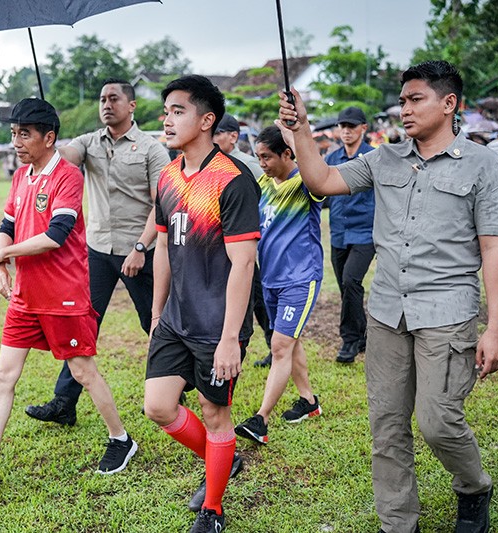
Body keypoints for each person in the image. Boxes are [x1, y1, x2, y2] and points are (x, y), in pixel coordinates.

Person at [279, 60, 498, 533]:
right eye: (402, 100)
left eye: (415, 99)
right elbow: (321, 180)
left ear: (449, 104)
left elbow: (494, 248)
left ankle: (473, 487)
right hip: (387, 310)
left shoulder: (485, 163)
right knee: (386, 426)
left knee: (437, 422)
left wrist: (496, 327)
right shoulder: (384, 158)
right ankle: (398, 524)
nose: (403, 109)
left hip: (447, 310)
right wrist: (301, 129)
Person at [0, 98, 137, 491]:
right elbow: (7, 222)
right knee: (3, 375)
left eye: (24, 134)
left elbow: (55, 237)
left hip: (64, 295)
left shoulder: (68, 176)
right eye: (13, 134)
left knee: (83, 371)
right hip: (26, 297)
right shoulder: (21, 176)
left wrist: (4, 254)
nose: (17, 142)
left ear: (50, 137)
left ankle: (121, 439)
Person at [143, 75, 260, 533]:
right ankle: (222, 460)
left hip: (217, 327)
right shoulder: (168, 176)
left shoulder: (233, 180)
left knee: (216, 414)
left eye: (178, 111)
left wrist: (231, 338)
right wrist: (156, 314)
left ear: (207, 120)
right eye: (166, 111)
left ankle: (213, 509)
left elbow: (243, 264)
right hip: (175, 318)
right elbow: (164, 249)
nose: (167, 119)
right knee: (158, 406)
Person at [25, 78, 171, 426]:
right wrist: (46, 133)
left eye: (114, 98)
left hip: (141, 252)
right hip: (96, 251)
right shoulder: (88, 143)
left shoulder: (152, 149)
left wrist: (139, 247)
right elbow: (58, 160)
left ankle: (172, 383)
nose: (106, 104)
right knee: (83, 322)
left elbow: (162, 204)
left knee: (155, 322)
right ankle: (64, 402)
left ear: (131, 105)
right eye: (102, 98)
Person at [234, 125, 323, 446]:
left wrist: (295, 133)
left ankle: (261, 420)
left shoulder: (306, 183)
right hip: (270, 279)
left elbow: (317, 172)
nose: (263, 163)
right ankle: (309, 401)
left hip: (300, 279)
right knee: (291, 342)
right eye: (258, 157)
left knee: (280, 346)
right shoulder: (263, 184)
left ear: (287, 154)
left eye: (267, 157)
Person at [213, 113, 274, 368]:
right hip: (220, 246)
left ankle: (275, 347)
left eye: (217, 133)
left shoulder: (250, 164)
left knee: (259, 300)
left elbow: (270, 197)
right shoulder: (209, 164)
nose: (213, 138)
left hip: (249, 243)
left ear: (233, 136)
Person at [325, 107, 376, 363]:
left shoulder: (374, 158)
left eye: (352, 126)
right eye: (342, 126)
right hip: (338, 232)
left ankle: (349, 341)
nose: (346, 131)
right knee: (348, 290)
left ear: (363, 128)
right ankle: (363, 333)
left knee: (350, 281)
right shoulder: (332, 158)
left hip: (365, 232)